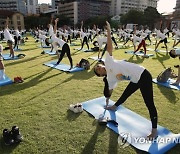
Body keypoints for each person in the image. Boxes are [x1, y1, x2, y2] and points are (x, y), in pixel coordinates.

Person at [94, 21, 158, 140]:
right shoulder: (110, 79)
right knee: (125, 94)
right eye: (97, 69)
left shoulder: (108, 62)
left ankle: (154, 131)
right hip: (135, 79)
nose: (99, 66)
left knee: (149, 103)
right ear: (100, 74)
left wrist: (108, 31)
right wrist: (107, 102)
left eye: (98, 65)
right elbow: (109, 91)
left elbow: (109, 47)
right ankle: (115, 106)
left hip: (143, 75)